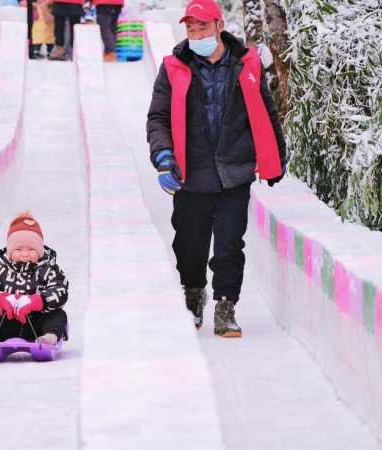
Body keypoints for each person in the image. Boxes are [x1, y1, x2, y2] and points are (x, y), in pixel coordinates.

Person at [146, 0, 286, 337]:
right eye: (190, 28)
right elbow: (158, 117)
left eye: (202, 27)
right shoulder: (174, 67)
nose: (196, 34)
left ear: (218, 26)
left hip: (234, 171)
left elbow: (266, 112)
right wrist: (164, 156)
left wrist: (276, 158)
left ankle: (226, 306)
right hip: (191, 173)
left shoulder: (246, 63)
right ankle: (194, 293)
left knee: (228, 244)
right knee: (189, 245)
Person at [0, 212, 69, 346]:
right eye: (18, 249)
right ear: (9, 250)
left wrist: (37, 301)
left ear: (40, 251)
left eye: (31, 249)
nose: (25, 254)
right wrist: (0, 299)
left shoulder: (50, 270)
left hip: (37, 325)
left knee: (58, 315)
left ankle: (49, 338)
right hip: (5, 323)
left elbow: (60, 292)